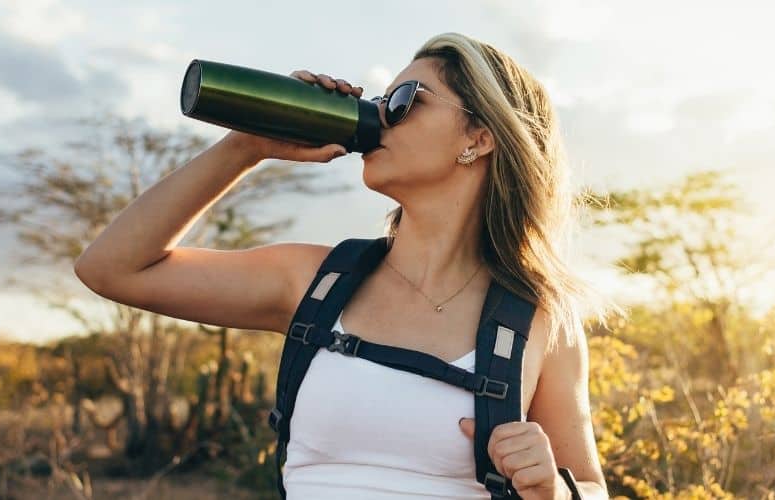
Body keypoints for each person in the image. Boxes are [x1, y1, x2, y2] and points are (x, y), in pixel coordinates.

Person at [75, 32, 609, 499]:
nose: (377, 116)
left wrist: (555, 490)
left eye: (403, 101)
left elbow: (589, 487)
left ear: (479, 137)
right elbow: (112, 268)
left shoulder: (537, 319)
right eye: (379, 100)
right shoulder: (317, 281)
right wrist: (247, 146)